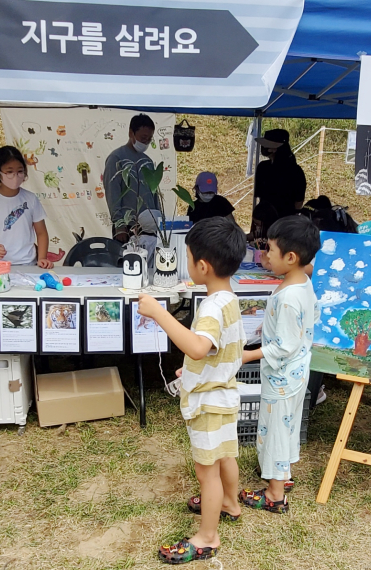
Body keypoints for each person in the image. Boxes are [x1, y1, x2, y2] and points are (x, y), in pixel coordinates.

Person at [137, 217, 247, 564]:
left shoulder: (212, 307)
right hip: (224, 393)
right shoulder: (229, 299)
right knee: (225, 455)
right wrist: (197, 369)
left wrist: (159, 312)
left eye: (187, 258)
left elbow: (199, 346)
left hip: (209, 403)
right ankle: (230, 502)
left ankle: (207, 536)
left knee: (206, 470)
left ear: (202, 266)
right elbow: (221, 350)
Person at [239, 216, 320, 514]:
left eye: (269, 249)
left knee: (275, 430)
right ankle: (283, 475)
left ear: (290, 257)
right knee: (287, 426)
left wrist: (248, 354)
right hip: (297, 373)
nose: (264, 254)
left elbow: (284, 345)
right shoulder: (302, 281)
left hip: (282, 378)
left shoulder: (287, 297)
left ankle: (274, 495)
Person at [0, 146, 53, 267]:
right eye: (9, 172)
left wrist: (42, 258)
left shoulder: (31, 199)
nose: (15, 176)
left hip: (26, 263)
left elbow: (41, 233)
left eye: (20, 171)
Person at [104, 114, 160, 242]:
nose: (145, 142)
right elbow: (113, 193)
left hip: (150, 227)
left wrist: (158, 221)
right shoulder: (116, 159)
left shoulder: (148, 162)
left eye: (149, 139)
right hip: (128, 227)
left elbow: (154, 196)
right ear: (131, 133)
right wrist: (119, 225)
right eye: (143, 138)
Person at [254, 129, 306, 219]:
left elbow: (298, 200)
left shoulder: (295, 171)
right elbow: (299, 202)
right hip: (270, 217)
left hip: (281, 219)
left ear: (276, 148)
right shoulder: (263, 167)